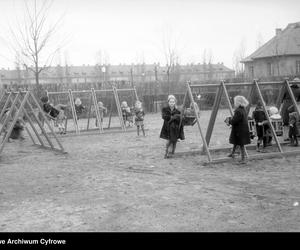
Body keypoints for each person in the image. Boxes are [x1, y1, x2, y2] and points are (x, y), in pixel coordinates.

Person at [226, 95, 251, 164]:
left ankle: (243, 159)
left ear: (238, 102)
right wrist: (231, 120)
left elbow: (234, 121)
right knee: (236, 142)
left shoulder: (238, 111)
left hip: (239, 130)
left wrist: (229, 121)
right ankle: (232, 153)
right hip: (242, 129)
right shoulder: (243, 109)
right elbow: (237, 119)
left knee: (241, 144)